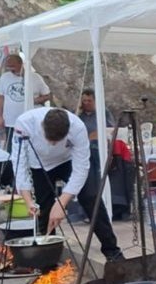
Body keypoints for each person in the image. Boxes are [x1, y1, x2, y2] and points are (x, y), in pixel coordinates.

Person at [13, 107, 124, 261]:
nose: (53, 144)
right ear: (42, 126)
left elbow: (81, 168)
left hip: (68, 160)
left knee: (91, 197)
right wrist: (27, 200)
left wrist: (62, 203)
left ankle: (112, 251)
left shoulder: (78, 128)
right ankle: (48, 259)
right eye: (49, 139)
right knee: (44, 210)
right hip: (39, 164)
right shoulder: (24, 124)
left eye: (57, 141)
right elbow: (19, 163)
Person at [0, 54, 50, 147]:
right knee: (11, 147)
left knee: (30, 146)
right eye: (8, 66)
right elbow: (0, 98)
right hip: (10, 121)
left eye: (13, 66)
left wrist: (34, 100)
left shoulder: (35, 77)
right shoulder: (4, 77)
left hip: (30, 121)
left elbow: (47, 95)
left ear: (21, 64)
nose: (10, 69)